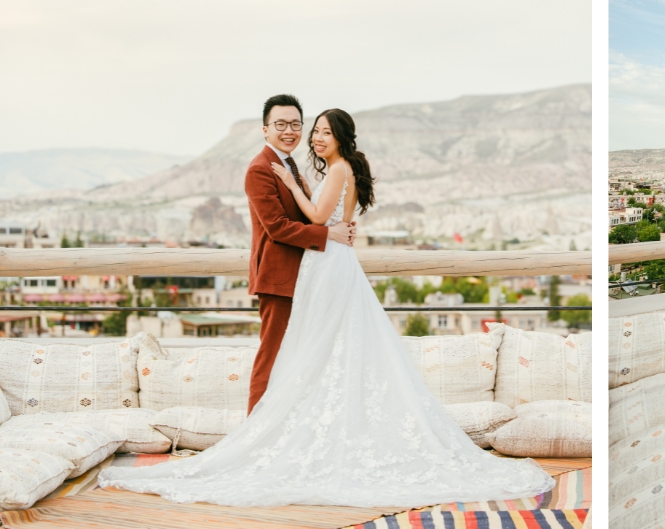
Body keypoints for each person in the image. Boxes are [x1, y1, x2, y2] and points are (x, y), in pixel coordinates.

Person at [98, 108, 554, 507]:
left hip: (326, 264)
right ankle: (287, 432)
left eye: (320, 131)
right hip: (324, 262)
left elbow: (315, 219)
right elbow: (310, 223)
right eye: (309, 129)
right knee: (321, 351)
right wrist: (316, 212)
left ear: (340, 138)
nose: (314, 137)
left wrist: (296, 191)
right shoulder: (318, 168)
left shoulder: (331, 170)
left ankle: (281, 436)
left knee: (315, 350)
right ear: (267, 129)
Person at [241, 94, 355, 414]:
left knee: (296, 357)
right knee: (272, 356)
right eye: (281, 124)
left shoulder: (287, 164)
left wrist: (340, 225)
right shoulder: (260, 169)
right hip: (278, 278)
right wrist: (327, 233)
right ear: (265, 129)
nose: (289, 130)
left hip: (305, 275)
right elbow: (277, 227)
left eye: (295, 124)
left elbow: (310, 213)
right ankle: (253, 433)